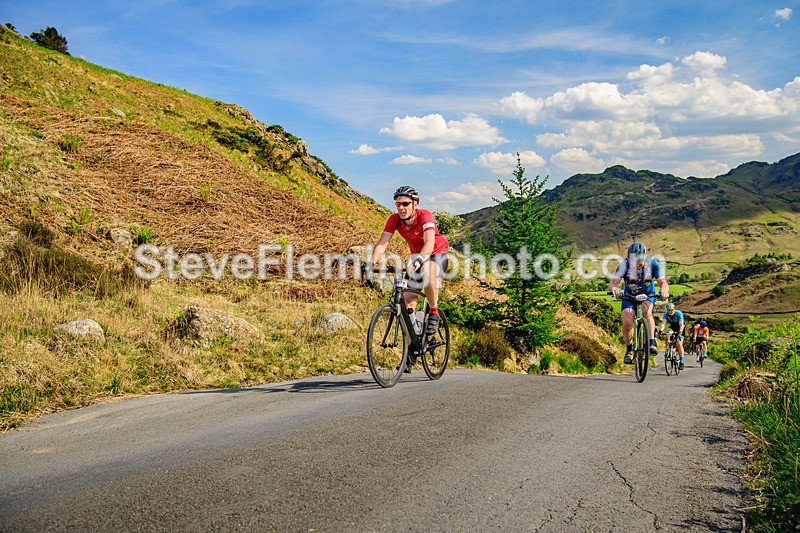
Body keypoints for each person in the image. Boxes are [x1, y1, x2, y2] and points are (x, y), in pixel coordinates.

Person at [366, 186, 449, 368]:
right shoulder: (395, 219)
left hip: (436, 254)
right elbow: (382, 244)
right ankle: (410, 352)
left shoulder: (425, 216)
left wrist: (420, 259)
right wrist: (371, 265)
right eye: (398, 204)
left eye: (405, 204)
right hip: (416, 258)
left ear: (415, 204)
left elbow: (429, 243)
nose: (401, 208)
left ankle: (433, 312)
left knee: (428, 272)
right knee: (407, 303)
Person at [609, 241, 670, 365]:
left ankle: (651, 342)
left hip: (648, 295)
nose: (636, 265)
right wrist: (615, 290)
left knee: (646, 311)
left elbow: (662, 282)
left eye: (639, 262)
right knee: (628, 320)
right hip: (629, 296)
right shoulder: (624, 264)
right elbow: (613, 284)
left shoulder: (653, 263)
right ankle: (629, 349)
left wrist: (664, 291)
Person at [659, 302, 686, 369]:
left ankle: (681, 362)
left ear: (674, 309)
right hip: (672, 327)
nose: (670, 312)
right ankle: (668, 350)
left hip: (680, 327)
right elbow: (663, 323)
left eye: (671, 310)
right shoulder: (666, 314)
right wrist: (661, 330)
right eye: (668, 310)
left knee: (679, 343)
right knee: (667, 335)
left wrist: (680, 332)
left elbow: (681, 324)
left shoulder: (678, 313)